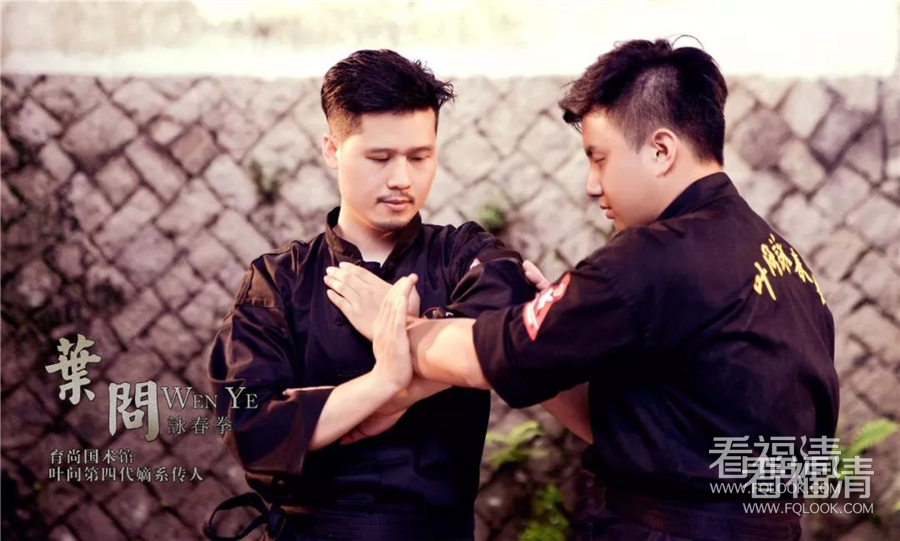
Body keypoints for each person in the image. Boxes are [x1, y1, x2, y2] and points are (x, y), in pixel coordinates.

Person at [337, 39, 839, 541]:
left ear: (661, 150)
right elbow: (638, 429)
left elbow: (490, 355)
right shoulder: (783, 262)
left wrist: (397, 324)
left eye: (598, 158)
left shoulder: (653, 256)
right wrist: (551, 326)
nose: (591, 185)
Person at [205, 49, 534, 541]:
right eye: (379, 158)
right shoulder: (278, 282)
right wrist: (382, 384)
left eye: (420, 157)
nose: (402, 179)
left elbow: (502, 334)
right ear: (332, 150)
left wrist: (401, 335)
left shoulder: (465, 254)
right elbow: (254, 430)